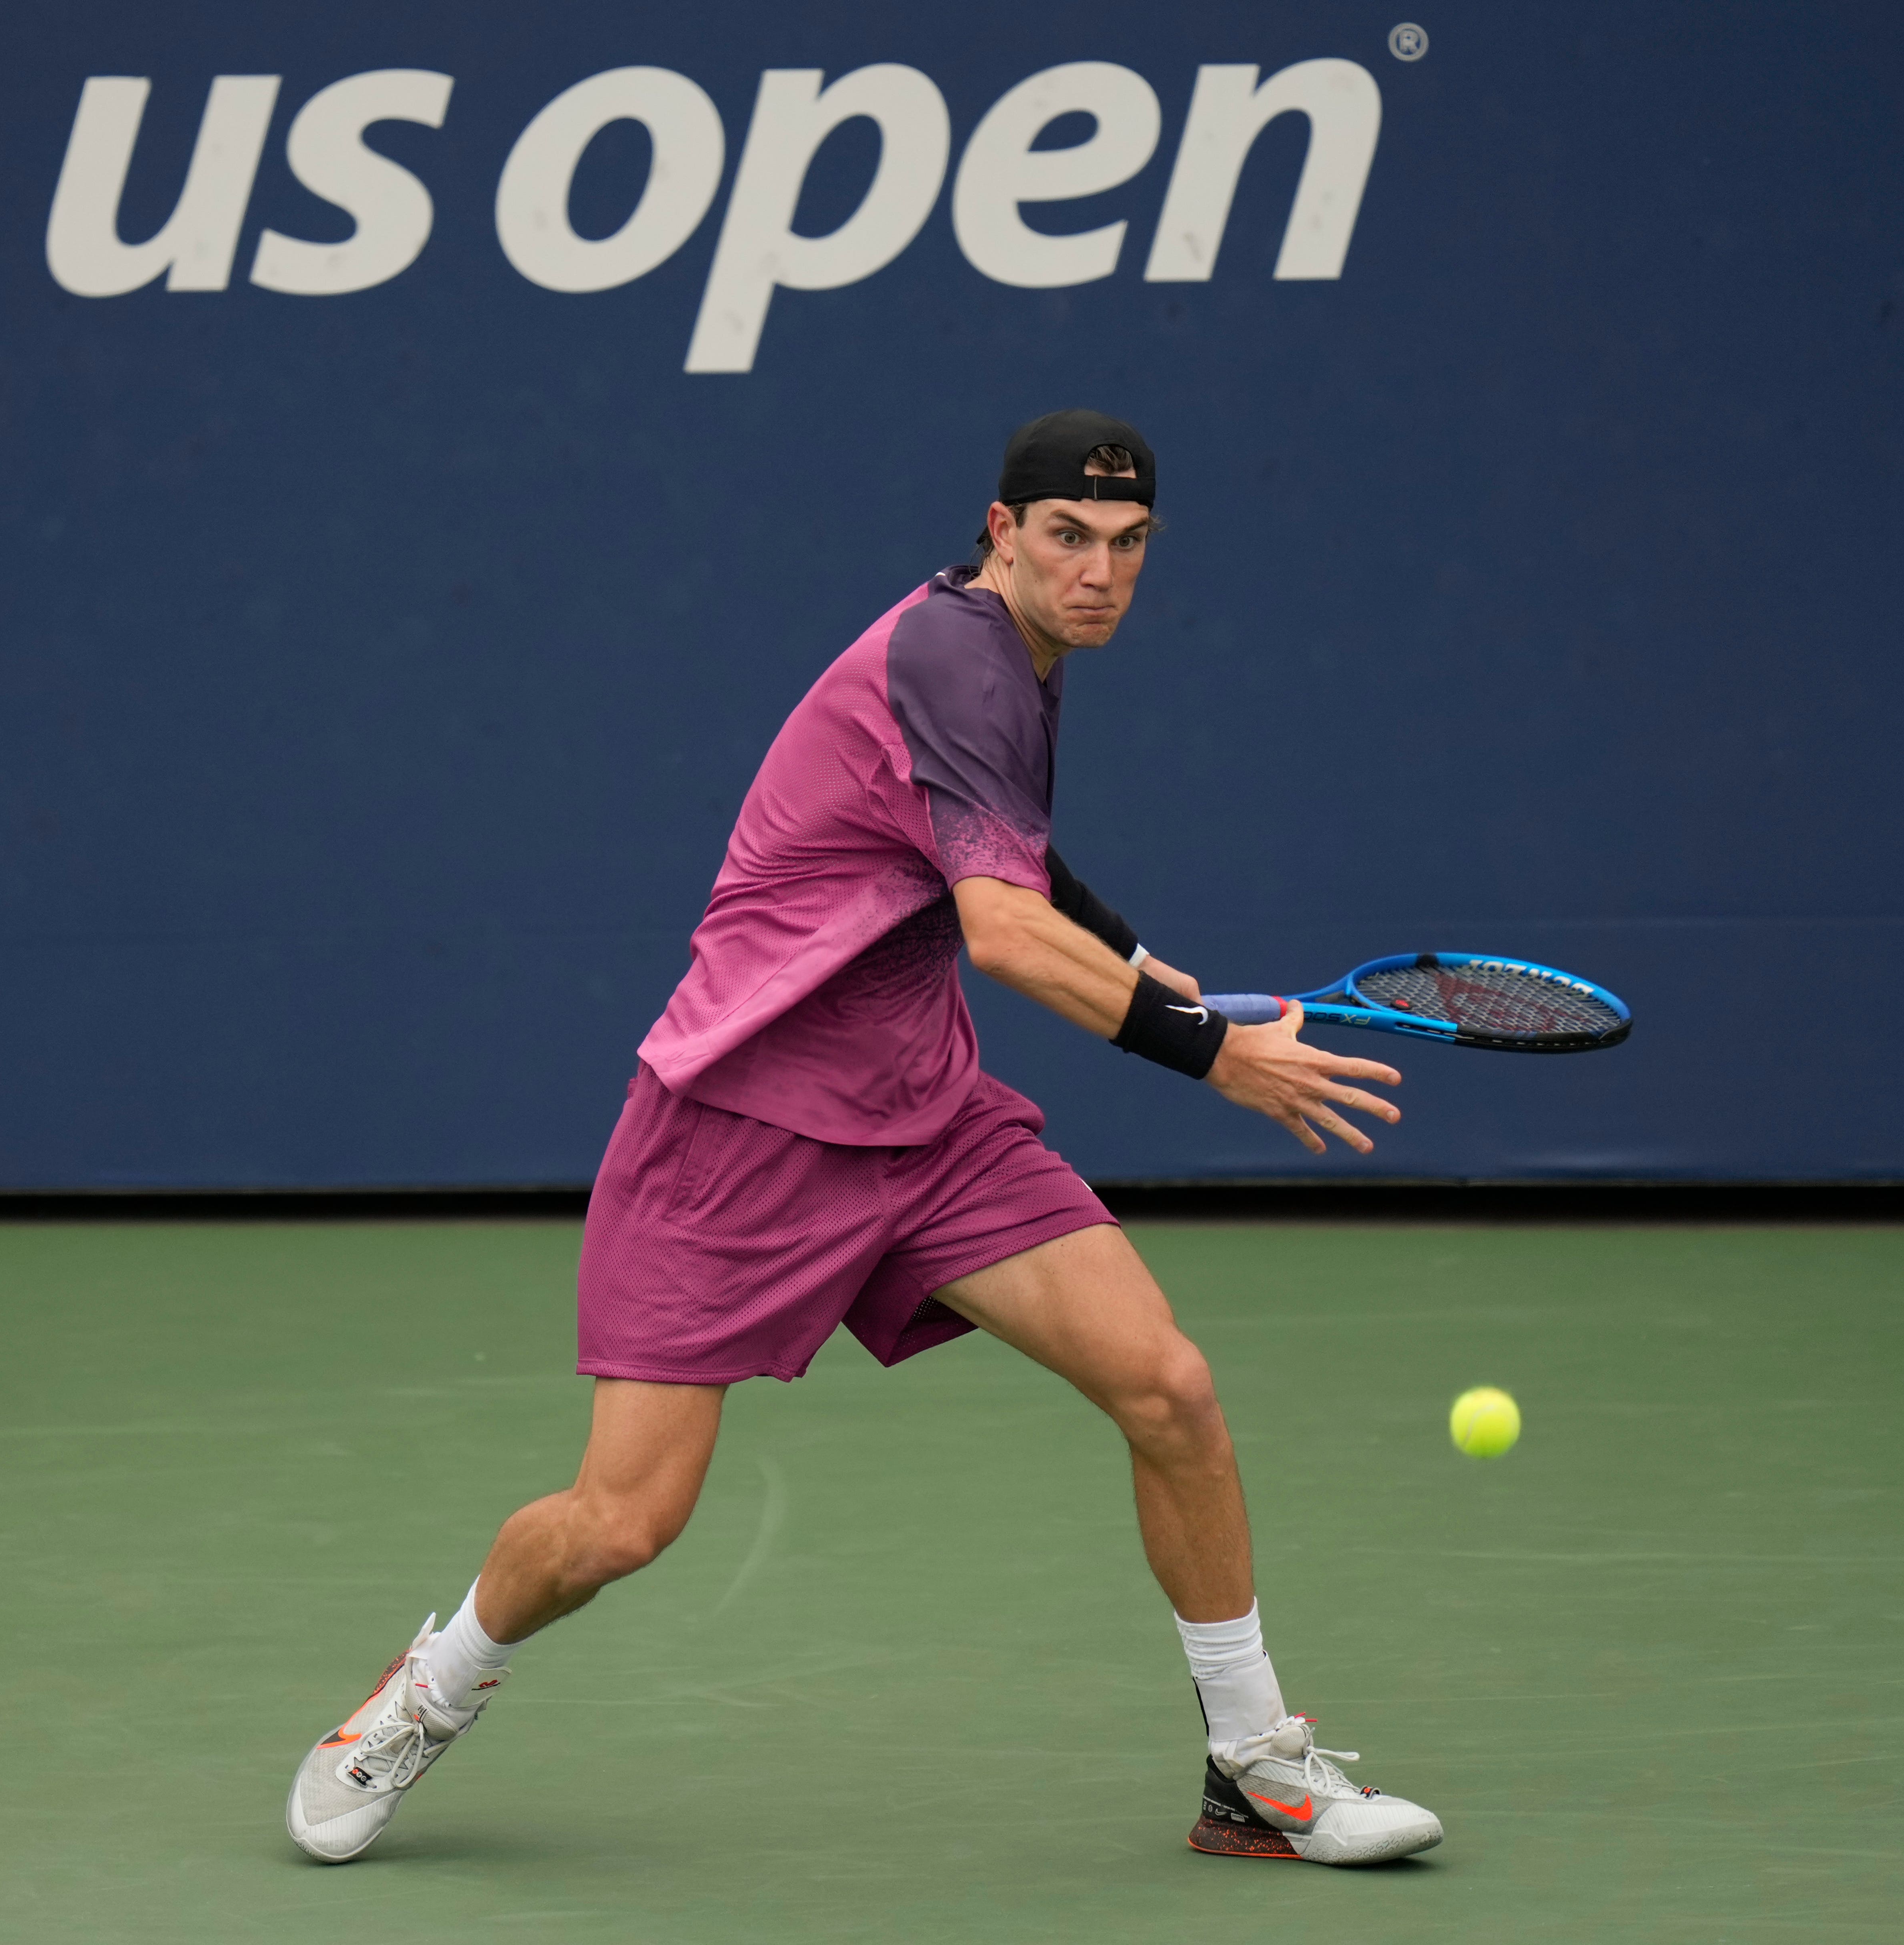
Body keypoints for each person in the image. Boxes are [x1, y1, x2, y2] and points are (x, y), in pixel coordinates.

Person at [286, 410, 1444, 1868]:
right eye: (1070, 538)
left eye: (1130, 544)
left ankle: (1253, 1766)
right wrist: (1211, 1051)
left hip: (925, 1121)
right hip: (738, 1133)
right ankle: (421, 1695)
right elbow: (1004, 929)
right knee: (621, 1521)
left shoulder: (1011, 654)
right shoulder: (960, 653)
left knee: (1169, 1388)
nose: (1100, 572)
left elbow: (1007, 848)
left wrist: (1138, 955)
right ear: (1003, 530)